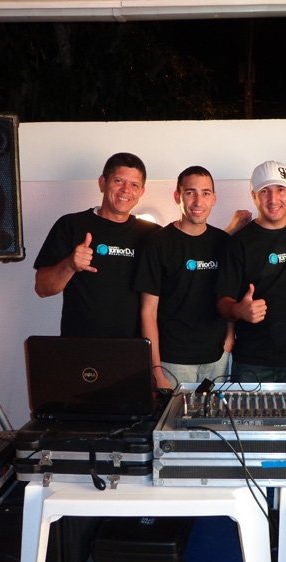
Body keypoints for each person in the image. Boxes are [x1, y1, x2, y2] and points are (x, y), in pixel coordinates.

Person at [216, 160, 286, 383]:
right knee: (245, 409)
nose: (273, 199)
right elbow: (222, 302)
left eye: (280, 189)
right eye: (265, 191)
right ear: (253, 196)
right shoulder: (240, 242)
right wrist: (238, 310)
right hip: (251, 360)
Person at [34, 152, 160, 337]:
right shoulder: (70, 225)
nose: (126, 190)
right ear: (102, 183)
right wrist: (70, 265)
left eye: (134, 185)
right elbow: (42, 288)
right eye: (118, 181)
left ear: (141, 192)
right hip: (81, 345)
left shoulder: (153, 234)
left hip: (135, 347)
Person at [134, 166, 233, 390]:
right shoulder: (158, 243)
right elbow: (148, 311)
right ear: (177, 196)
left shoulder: (224, 242)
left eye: (205, 193)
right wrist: (156, 370)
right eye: (190, 192)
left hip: (216, 359)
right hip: (173, 361)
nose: (198, 201)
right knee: (173, 415)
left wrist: (229, 340)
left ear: (214, 198)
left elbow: (229, 296)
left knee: (214, 413)